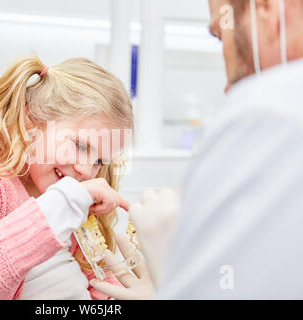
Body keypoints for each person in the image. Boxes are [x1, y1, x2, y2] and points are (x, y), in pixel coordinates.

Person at [91, 0, 303, 299]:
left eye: (220, 35)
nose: (228, 85)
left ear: (266, 9)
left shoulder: (267, 112)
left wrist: (176, 278)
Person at [0, 56, 134, 299]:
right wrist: (64, 203)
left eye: (99, 161)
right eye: (80, 146)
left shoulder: (66, 199)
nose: (86, 171)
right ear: (29, 123)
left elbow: (98, 287)